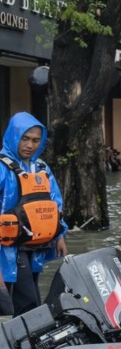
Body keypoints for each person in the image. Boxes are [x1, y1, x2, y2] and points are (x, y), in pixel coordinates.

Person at [0, 112, 68, 315]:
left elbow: (55, 203)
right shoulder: (2, 168)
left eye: (36, 140)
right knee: (26, 301)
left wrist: (60, 236)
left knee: (31, 295)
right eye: (25, 139)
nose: (30, 145)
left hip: (36, 244)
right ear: (13, 136)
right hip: (9, 247)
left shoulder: (42, 168)